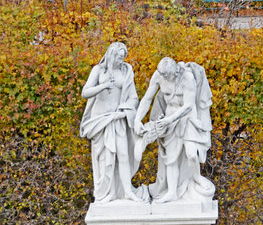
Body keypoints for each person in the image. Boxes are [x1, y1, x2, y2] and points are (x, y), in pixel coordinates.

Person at [134, 57, 215, 203]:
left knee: (191, 153)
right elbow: (147, 98)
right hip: (170, 119)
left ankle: (197, 178)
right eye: (164, 75)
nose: (166, 78)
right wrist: (137, 119)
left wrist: (169, 120)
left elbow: (189, 105)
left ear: (176, 71)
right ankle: (171, 192)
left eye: (168, 75)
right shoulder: (159, 75)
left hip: (187, 118)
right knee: (170, 159)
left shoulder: (187, 78)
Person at [80, 42, 143, 203]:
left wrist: (126, 108)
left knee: (123, 154)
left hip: (117, 117)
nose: (121, 60)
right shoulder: (99, 70)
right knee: (105, 157)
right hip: (101, 120)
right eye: (119, 57)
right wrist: (103, 86)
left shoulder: (126, 72)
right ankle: (106, 192)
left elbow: (134, 97)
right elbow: (85, 92)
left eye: (123, 57)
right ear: (111, 55)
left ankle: (127, 191)